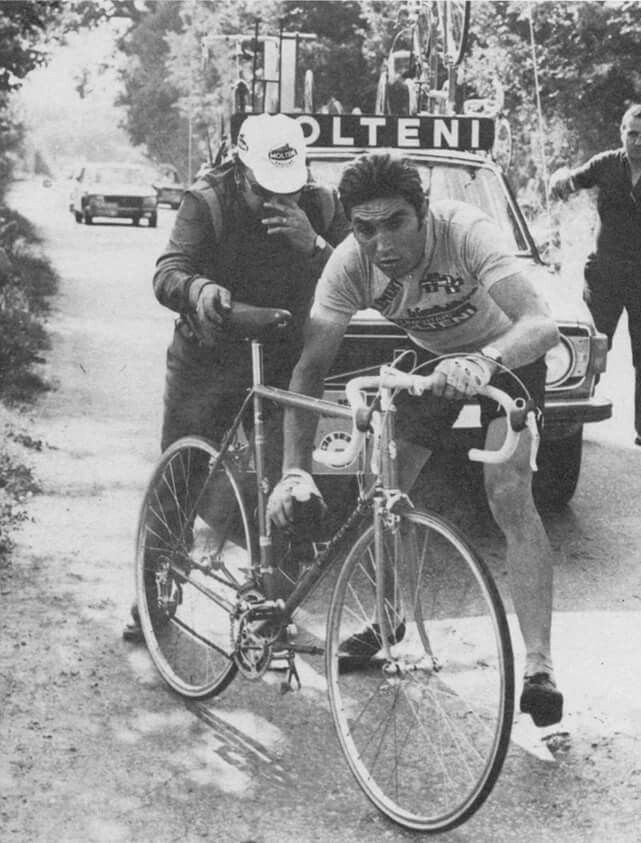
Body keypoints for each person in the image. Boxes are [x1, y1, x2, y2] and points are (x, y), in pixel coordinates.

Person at [267, 151, 565, 728]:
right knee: (383, 485)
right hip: (431, 363)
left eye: (396, 223)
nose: (381, 244)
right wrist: (294, 470)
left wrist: (485, 360)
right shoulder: (350, 265)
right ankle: (387, 617)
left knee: (507, 492)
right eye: (364, 228)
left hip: (505, 356)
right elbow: (308, 370)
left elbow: (541, 325)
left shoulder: (465, 231)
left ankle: (539, 666)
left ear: (424, 212)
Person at [122, 112, 349, 642]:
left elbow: (358, 272)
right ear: (240, 171)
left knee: (283, 477)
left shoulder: (320, 205)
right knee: (183, 471)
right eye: (264, 191)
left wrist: (314, 245)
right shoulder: (208, 201)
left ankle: (269, 596)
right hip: (209, 353)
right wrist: (199, 291)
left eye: (287, 192)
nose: (277, 204)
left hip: (285, 354)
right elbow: (168, 270)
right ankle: (152, 583)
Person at [549, 103, 641, 451]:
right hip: (604, 274)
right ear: (622, 132)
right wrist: (559, 176)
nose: (639, 141)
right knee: (590, 352)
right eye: (632, 133)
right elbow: (568, 183)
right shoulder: (605, 164)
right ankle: (574, 426)